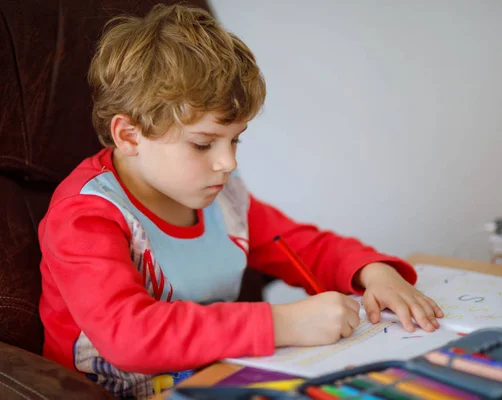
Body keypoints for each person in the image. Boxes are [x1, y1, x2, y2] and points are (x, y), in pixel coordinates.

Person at [37, 3, 443, 399]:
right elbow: (130, 336)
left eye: (236, 139)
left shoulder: (221, 197)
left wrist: (373, 272)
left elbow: (302, 245)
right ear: (129, 136)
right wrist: (280, 323)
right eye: (203, 144)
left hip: (215, 381)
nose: (228, 162)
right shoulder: (83, 216)